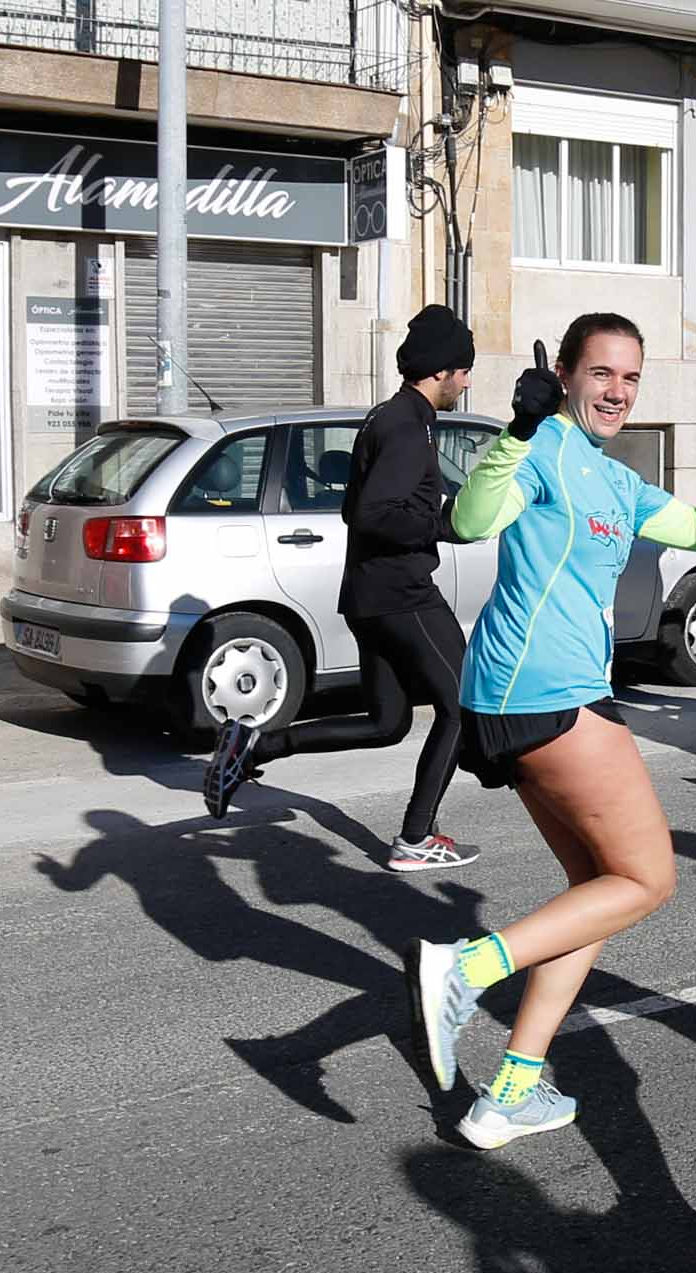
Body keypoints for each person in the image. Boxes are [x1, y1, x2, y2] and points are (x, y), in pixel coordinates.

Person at [403, 316, 696, 1151]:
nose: (617, 391)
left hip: (544, 691)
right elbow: (471, 520)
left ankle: (513, 1089)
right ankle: (467, 967)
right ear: (564, 374)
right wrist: (516, 433)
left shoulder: (612, 476)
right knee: (648, 879)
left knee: (593, 889)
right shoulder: (548, 449)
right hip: (541, 688)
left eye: (630, 378)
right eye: (600, 373)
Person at [203, 304, 480, 872]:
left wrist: (428, 515)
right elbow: (375, 513)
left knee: (386, 723)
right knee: (461, 706)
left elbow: (356, 503)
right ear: (442, 371)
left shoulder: (393, 417)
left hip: (369, 595)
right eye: (464, 370)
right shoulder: (407, 426)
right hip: (402, 593)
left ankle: (255, 744)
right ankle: (415, 838)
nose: (468, 382)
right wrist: (442, 526)